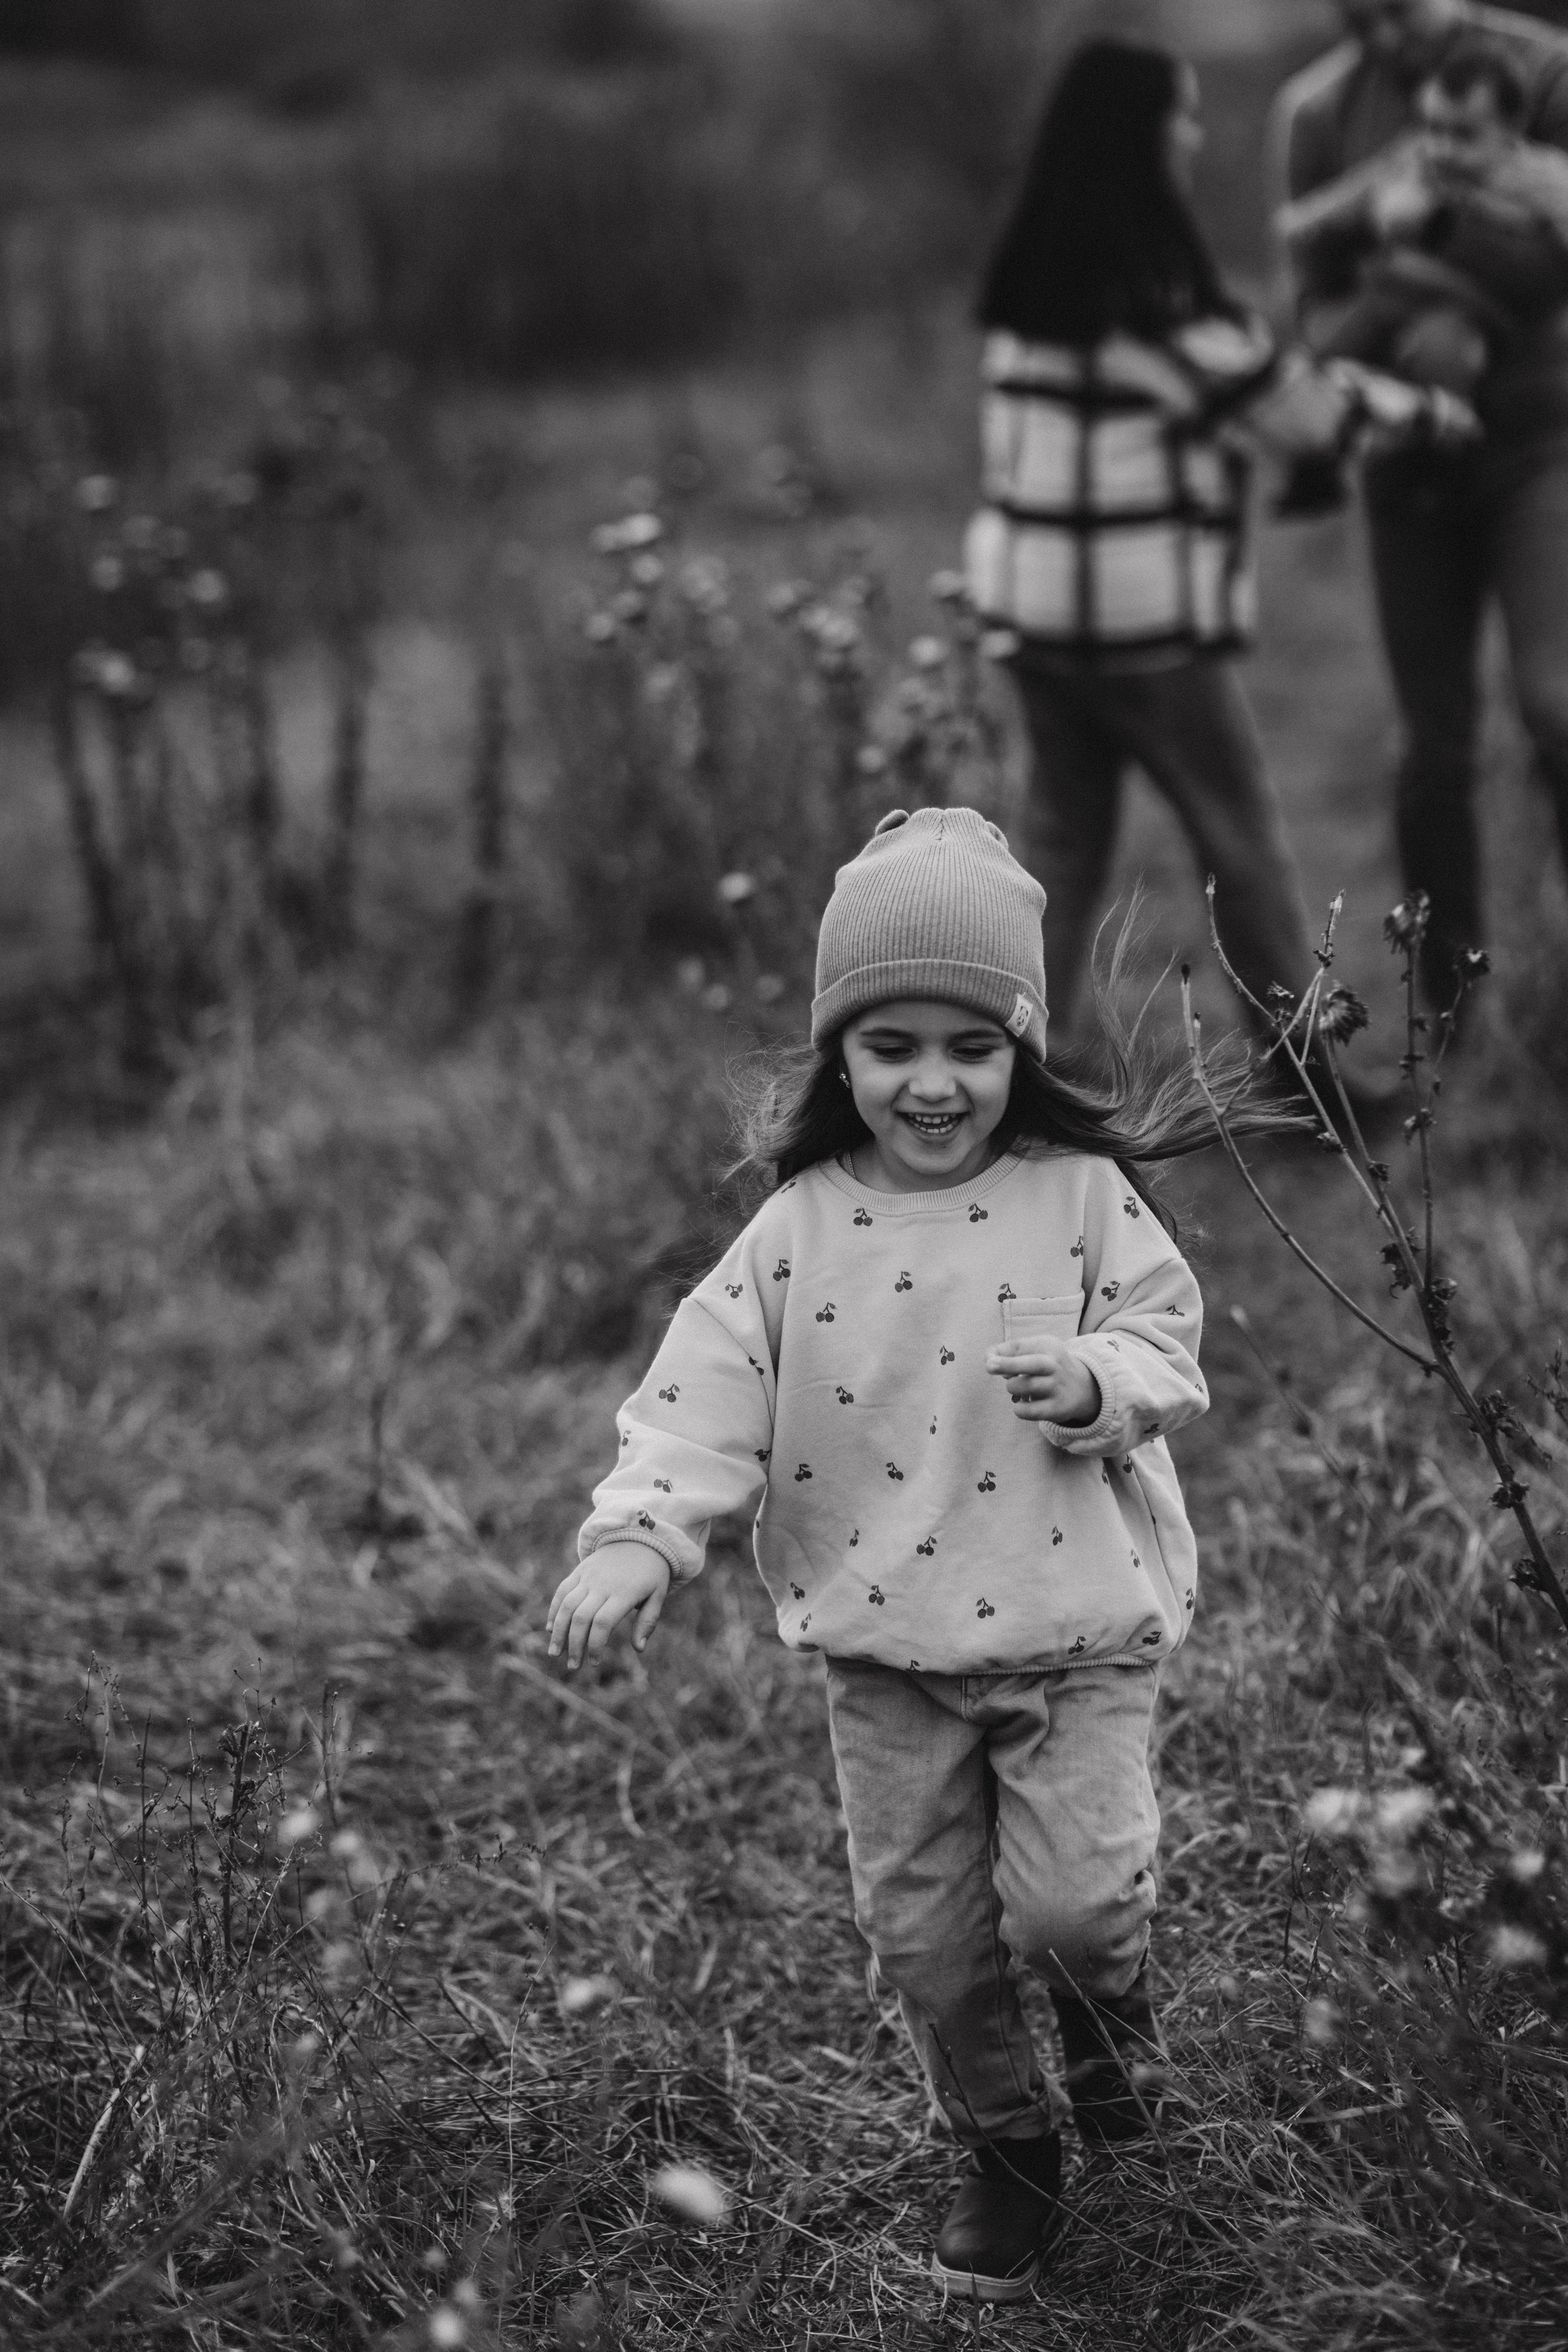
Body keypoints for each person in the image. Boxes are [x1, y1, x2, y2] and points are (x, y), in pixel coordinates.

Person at [548, 808, 1292, 2304]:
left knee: (1073, 1912)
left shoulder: (1075, 1194)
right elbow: (700, 1393)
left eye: (970, 1045)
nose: (931, 1082)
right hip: (885, 1652)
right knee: (926, 1941)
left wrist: (1096, 1378)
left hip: (1073, 1628)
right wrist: (641, 1531)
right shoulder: (795, 1230)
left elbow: (1164, 1335)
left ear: (1021, 1045)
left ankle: (1105, 2032)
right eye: (889, 1046)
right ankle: (1003, 2146)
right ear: (840, 1055)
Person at [963, 39, 1464, 1057]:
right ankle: (1306, 1080)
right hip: (1144, 633)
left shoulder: (1029, 293)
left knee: (1057, 851)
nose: (1195, 136)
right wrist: (1427, 413)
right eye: (1183, 117)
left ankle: (1011, 1068)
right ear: (1141, 140)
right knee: (1242, 845)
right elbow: (1300, 415)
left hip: (1032, 621)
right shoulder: (1149, 306)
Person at [1273, 0, 1568, 1011]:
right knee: (1432, 746)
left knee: (1555, 705)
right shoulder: (1319, 112)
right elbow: (1308, 290)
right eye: (1359, 18)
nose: (1385, 38)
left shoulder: (1548, 73)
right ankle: (1451, 1009)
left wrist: (1447, 252)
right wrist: (1382, 283)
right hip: (1407, 464)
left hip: (1538, 448)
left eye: (1399, 12)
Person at [1277, 38, 1568, 501]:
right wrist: (1324, 222)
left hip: (1478, 312)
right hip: (1399, 295)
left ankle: (1445, 455)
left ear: (1512, 130)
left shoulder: (1541, 177)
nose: (1443, 148)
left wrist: (1471, 216)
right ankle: (1315, 456)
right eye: (1433, 128)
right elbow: (1326, 214)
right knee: (1326, 357)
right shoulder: (1418, 159)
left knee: (1441, 347)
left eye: (1464, 135)